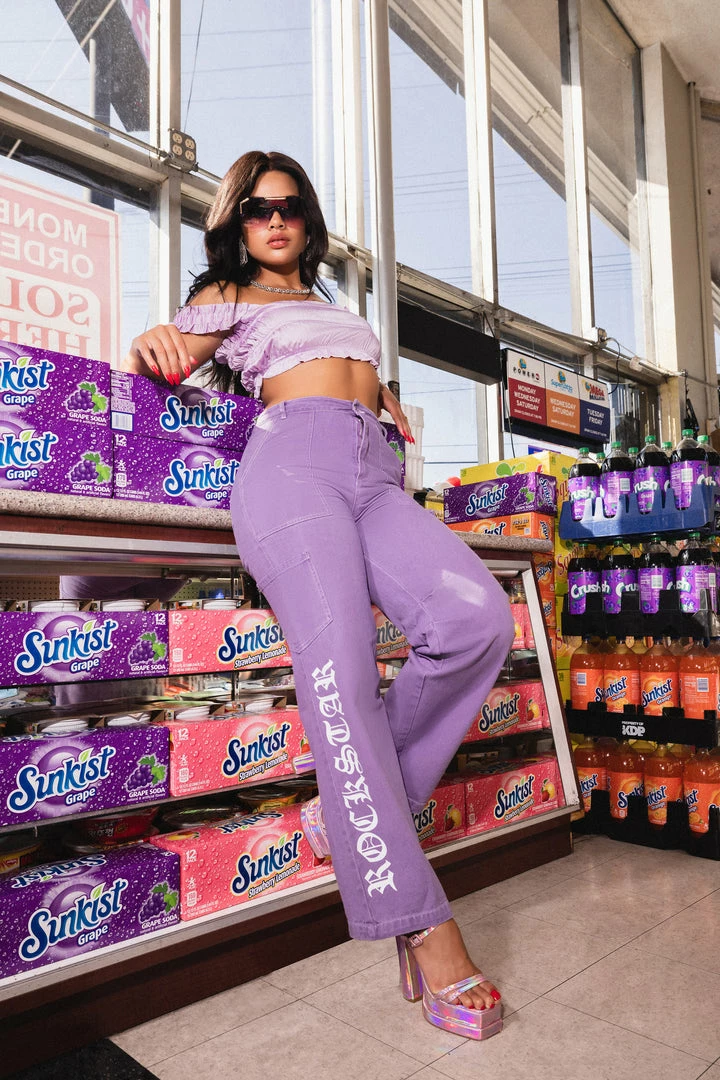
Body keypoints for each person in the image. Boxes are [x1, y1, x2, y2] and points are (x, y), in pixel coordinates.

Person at [123, 150, 514, 1040]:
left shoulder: (338, 310)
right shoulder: (225, 298)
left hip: (376, 473)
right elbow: (167, 356)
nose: (276, 219)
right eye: (258, 207)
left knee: (475, 621)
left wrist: (383, 396)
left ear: (309, 220)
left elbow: (354, 378)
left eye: (291, 205)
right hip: (292, 470)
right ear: (236, 221)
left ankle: (354, 815)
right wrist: (152, 344)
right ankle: (422, 922)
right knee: (341, 670)